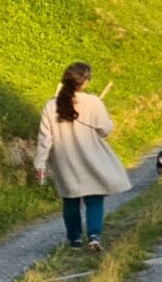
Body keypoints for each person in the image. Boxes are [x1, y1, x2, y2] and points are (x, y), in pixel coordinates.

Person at [33, 62, 131, 251]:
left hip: (64, 160)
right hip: (90, 157)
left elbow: (45, 138)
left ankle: (74, 240)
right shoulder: (93, 102)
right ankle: (94, 235)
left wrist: (40, 164)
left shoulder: (51, 105)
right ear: (84, 81)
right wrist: (109, 123)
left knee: (70, 199)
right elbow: (104, 130)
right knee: (94, 197)